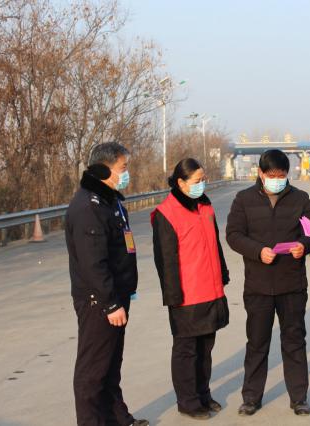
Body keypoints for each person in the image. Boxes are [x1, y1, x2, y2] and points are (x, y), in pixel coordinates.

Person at [226, 149, 310, 417]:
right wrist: (257, 251)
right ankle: (251, 398)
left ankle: (299, 398)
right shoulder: (244, 199)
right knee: (257, 343)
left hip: (292, 284)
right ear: (260, 173)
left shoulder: (300, 199)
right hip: (258, 286)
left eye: (281, 175)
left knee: (294, 342)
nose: (277, 180)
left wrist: (303, 245)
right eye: (272, 175)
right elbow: (233, 235)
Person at [65, 142, 148, 426]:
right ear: (103, 169)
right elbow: (93, 264)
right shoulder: (88, 207)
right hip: (99, 302)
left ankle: (117, 419)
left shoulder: (110, 201)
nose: (127, 173)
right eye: (123, 168)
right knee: (93, 370)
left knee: (111, 364)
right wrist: (111, 303)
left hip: (116, 295)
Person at [151, 158, 230, 420]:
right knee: (187, 351)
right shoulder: (166, 213)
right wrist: (173, 296)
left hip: (211, 289)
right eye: (197, 181)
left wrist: (223, 273)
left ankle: (203, 394)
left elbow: (215, 244)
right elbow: (165, 260)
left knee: (206, 349)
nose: (201, 185)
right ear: (181, 182)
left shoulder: (205, 205)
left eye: (203, 180)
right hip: (187, 295)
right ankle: (188, 401)